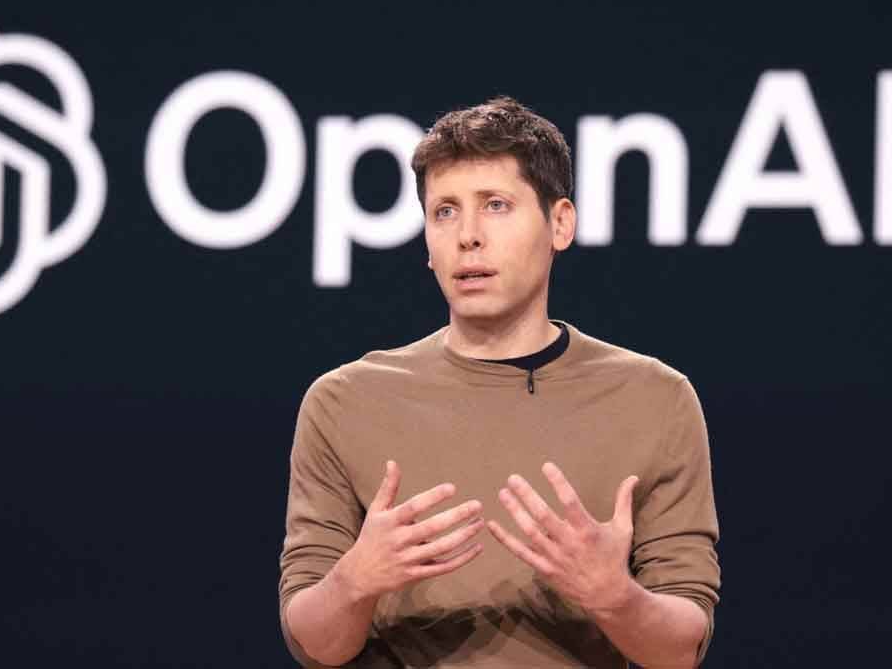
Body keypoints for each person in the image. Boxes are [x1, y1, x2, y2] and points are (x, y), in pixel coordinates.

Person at [278, 97, 720, 668]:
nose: (468, 236)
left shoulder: (655, 399)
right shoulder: (344, 401)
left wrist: (617, 599)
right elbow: (314, 646)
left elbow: (680, 650)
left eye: (495, 205)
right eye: (444, 212)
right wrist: (354, 582)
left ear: (560, 223)